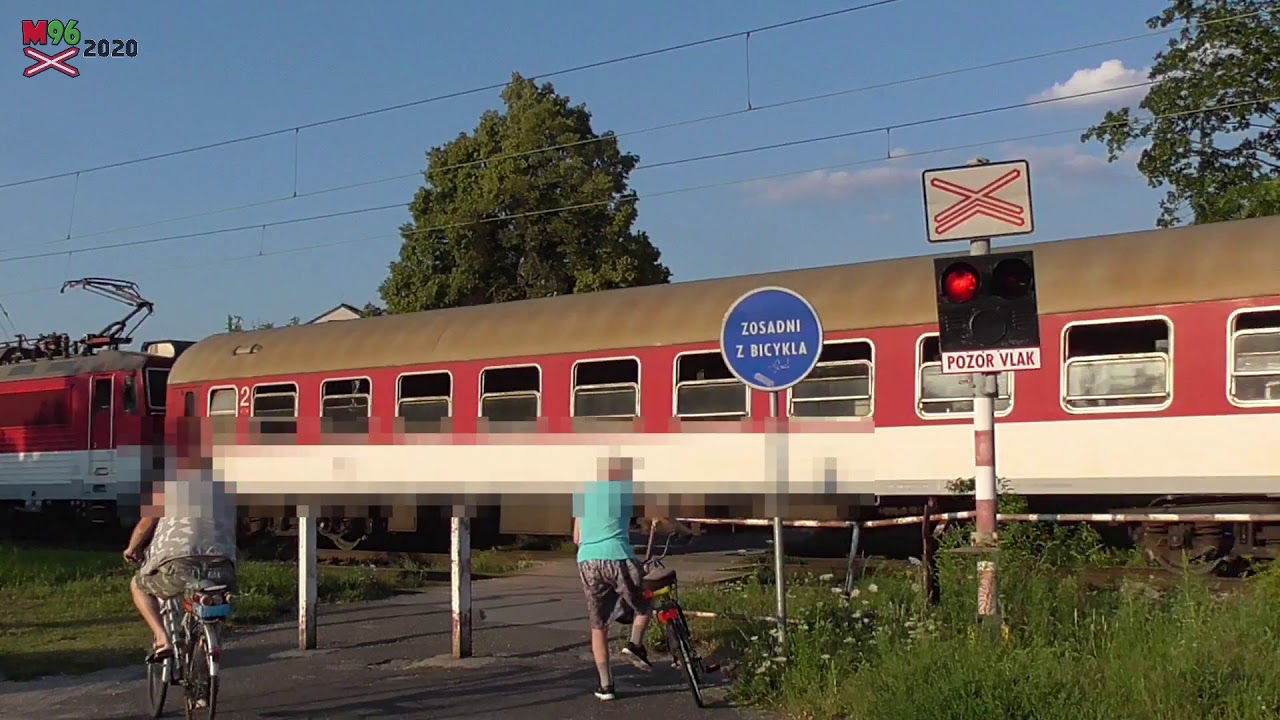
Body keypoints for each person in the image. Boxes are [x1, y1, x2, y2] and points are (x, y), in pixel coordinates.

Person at [124, 417, 238, 671]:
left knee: (138, 585)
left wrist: (132, 549)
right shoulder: (227, 485)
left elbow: (146, 524)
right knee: (213, 601)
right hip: (223, 566)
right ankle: (207, 651)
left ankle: (163, 640)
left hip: (179, 565)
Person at [573, 456, 653, 701]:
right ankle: (635, 645)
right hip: (617, 555)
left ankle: (606, 686)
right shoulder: (625, 487)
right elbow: (652, 517)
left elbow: (577, 536)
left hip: (586, 560)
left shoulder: (582, 490)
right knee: (645, 602)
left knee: (598, 625)